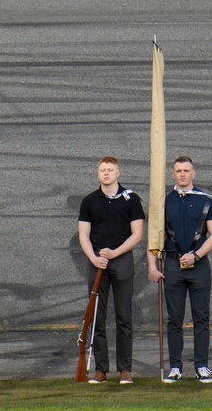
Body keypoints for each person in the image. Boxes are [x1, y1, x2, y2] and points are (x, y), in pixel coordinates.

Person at [147, 155, 212, 384]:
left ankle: (201, 367)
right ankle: (175, 368)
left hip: (199, 265)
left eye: (186, 170)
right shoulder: (163, 201)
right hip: (172, 264)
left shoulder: (206, 200)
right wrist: (152, 265)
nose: (182, 174)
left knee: (201, 317)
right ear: (173, 174)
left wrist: (196, 255)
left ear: (193, 173)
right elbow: (154, 237)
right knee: (174, 319)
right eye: (178, 170)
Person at [77, 156, 145, 387]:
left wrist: (114, 254)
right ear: (98, 174)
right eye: (102, 170)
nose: (106, 173)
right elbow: (83, 236)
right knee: (97, 317)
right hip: (97, 262)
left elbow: (137, 234)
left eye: (110, 170)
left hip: (121, 260)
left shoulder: (132, 199)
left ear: (118, 173)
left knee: (124, 316)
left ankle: (125, 369)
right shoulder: (88, 201)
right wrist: (95, 258)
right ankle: (101, 370)